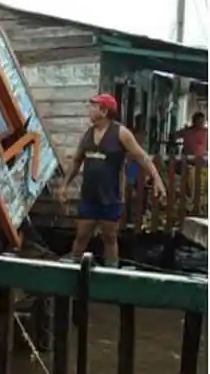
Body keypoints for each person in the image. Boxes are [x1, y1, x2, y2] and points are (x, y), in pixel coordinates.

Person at [59, 93, 166, 268]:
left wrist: (157, 179)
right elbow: (77, 160)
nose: (89, 110)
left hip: (111, 195)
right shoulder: (88, 134)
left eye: (93, 107)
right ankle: (73, 268)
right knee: (82, 235)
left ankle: (111, 271)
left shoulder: (120, 133)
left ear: (104, 110)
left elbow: (142, 157)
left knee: (109, 237)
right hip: (89, 195)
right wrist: (65, 185)